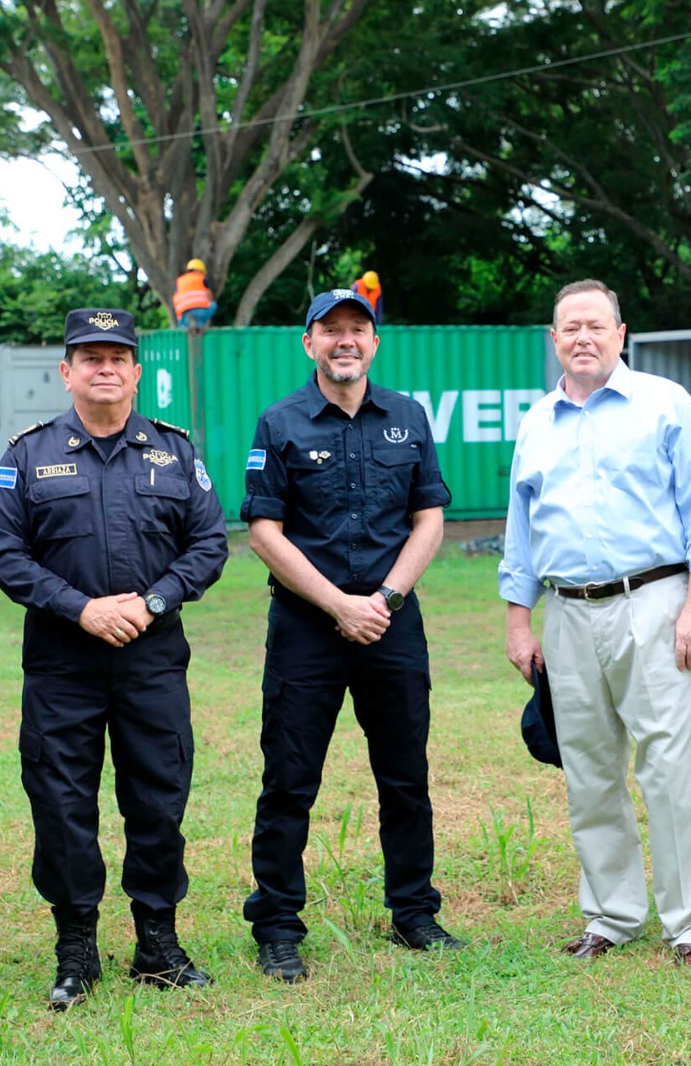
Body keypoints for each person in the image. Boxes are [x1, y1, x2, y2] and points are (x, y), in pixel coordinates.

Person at [0, 308, 228, 1009]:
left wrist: (149, 603)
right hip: (63, 663)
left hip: (152, 660)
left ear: (137, 370)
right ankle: (77, 951)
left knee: (157, 799)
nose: (104, 367)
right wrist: (81, 608)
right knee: (61, 805)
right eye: (88, 357)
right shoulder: (27, 455)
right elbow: (4, 553)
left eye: (117, 355)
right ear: (66, 371)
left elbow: (209, 546)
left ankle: (158, 945)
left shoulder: (175, 452)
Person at [500, 279, 691, 966]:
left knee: (672, 769)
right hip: (569, 613)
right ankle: (611, 915)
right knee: (589, 771)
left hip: (656, 605)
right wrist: (520, 621)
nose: (582, 337)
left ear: (621, 333)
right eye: (569, 327)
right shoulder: (536, 422)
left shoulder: (666, 405)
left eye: (596, 325)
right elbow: (521, 531)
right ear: (553, 340)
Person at [238, 288, 458, 983]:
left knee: (405, 775)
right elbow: (264, 531)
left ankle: (414, 913)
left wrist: (385, 597)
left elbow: (430, 517)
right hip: (308, 626)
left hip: (392, 624)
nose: (344, 341)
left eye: (357, 330)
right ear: (309, 343)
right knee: (289, 779)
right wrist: (339, 603)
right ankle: (276, 925)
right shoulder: (279, 424)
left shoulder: (408, 418)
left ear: (374, 343)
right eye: (329, 330)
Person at [174, 258, 217, 331]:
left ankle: (188, 324)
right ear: (200, 270)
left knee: (185, 328)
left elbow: (175, 297)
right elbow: (210, 296)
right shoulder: (202, 278)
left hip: (183, 314)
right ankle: (200, 325)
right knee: (213, 305)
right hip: (199, 311)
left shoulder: (179, 281)